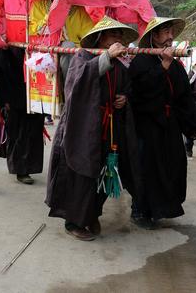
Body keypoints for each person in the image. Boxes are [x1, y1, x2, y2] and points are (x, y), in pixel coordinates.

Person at [45, 17, 141, 241]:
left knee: (105, 171)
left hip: (109, 128)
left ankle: (92, 214)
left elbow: (126, 86)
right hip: (83, 127)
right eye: (112, 35)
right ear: (100, 38)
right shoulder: (83, 56)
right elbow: (75, 84)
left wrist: (123, 98)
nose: (117, 39)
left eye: (120, 35)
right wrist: (106, 57)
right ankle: (74, 221)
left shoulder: (119, 64)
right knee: (82, 172)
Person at [128, 17, 196, 229]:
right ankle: (139, 210)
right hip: (147, 125)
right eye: (165, 32)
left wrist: (191, 125)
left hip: (169, 127)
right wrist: (164, 65)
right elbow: (141, 92)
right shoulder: (140, 61)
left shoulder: (177, 66)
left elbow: (184, 96)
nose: (170, 37)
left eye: (171, 32)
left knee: (171, 166)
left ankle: (159, 209)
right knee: (146, 168)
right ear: (154, 36)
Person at [0, 47, 45, 184]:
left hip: (36, 94)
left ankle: (28, 167)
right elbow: (0, 74)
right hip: (14, 97)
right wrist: (4, 99)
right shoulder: (7, 48)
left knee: (33, 132)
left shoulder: (39, 45)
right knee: (18, 133)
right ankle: (20, 170)